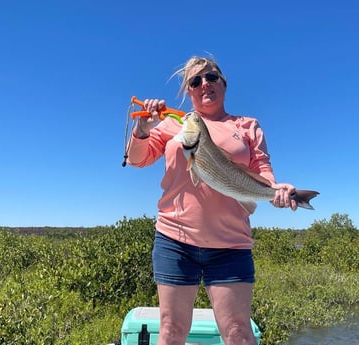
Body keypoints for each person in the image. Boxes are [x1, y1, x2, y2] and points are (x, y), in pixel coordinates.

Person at [126, 56, 298, 345]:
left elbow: (264, 174)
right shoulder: (174, 123)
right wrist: (143, 128)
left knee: (238, 332)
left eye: (211, 77)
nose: (204, 84)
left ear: (223, 83)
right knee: (170, 330)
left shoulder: (248, 125)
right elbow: (137, 159)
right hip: (175, 241)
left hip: (231, 245)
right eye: (195, 81)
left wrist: (277, 191)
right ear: (188, 91)